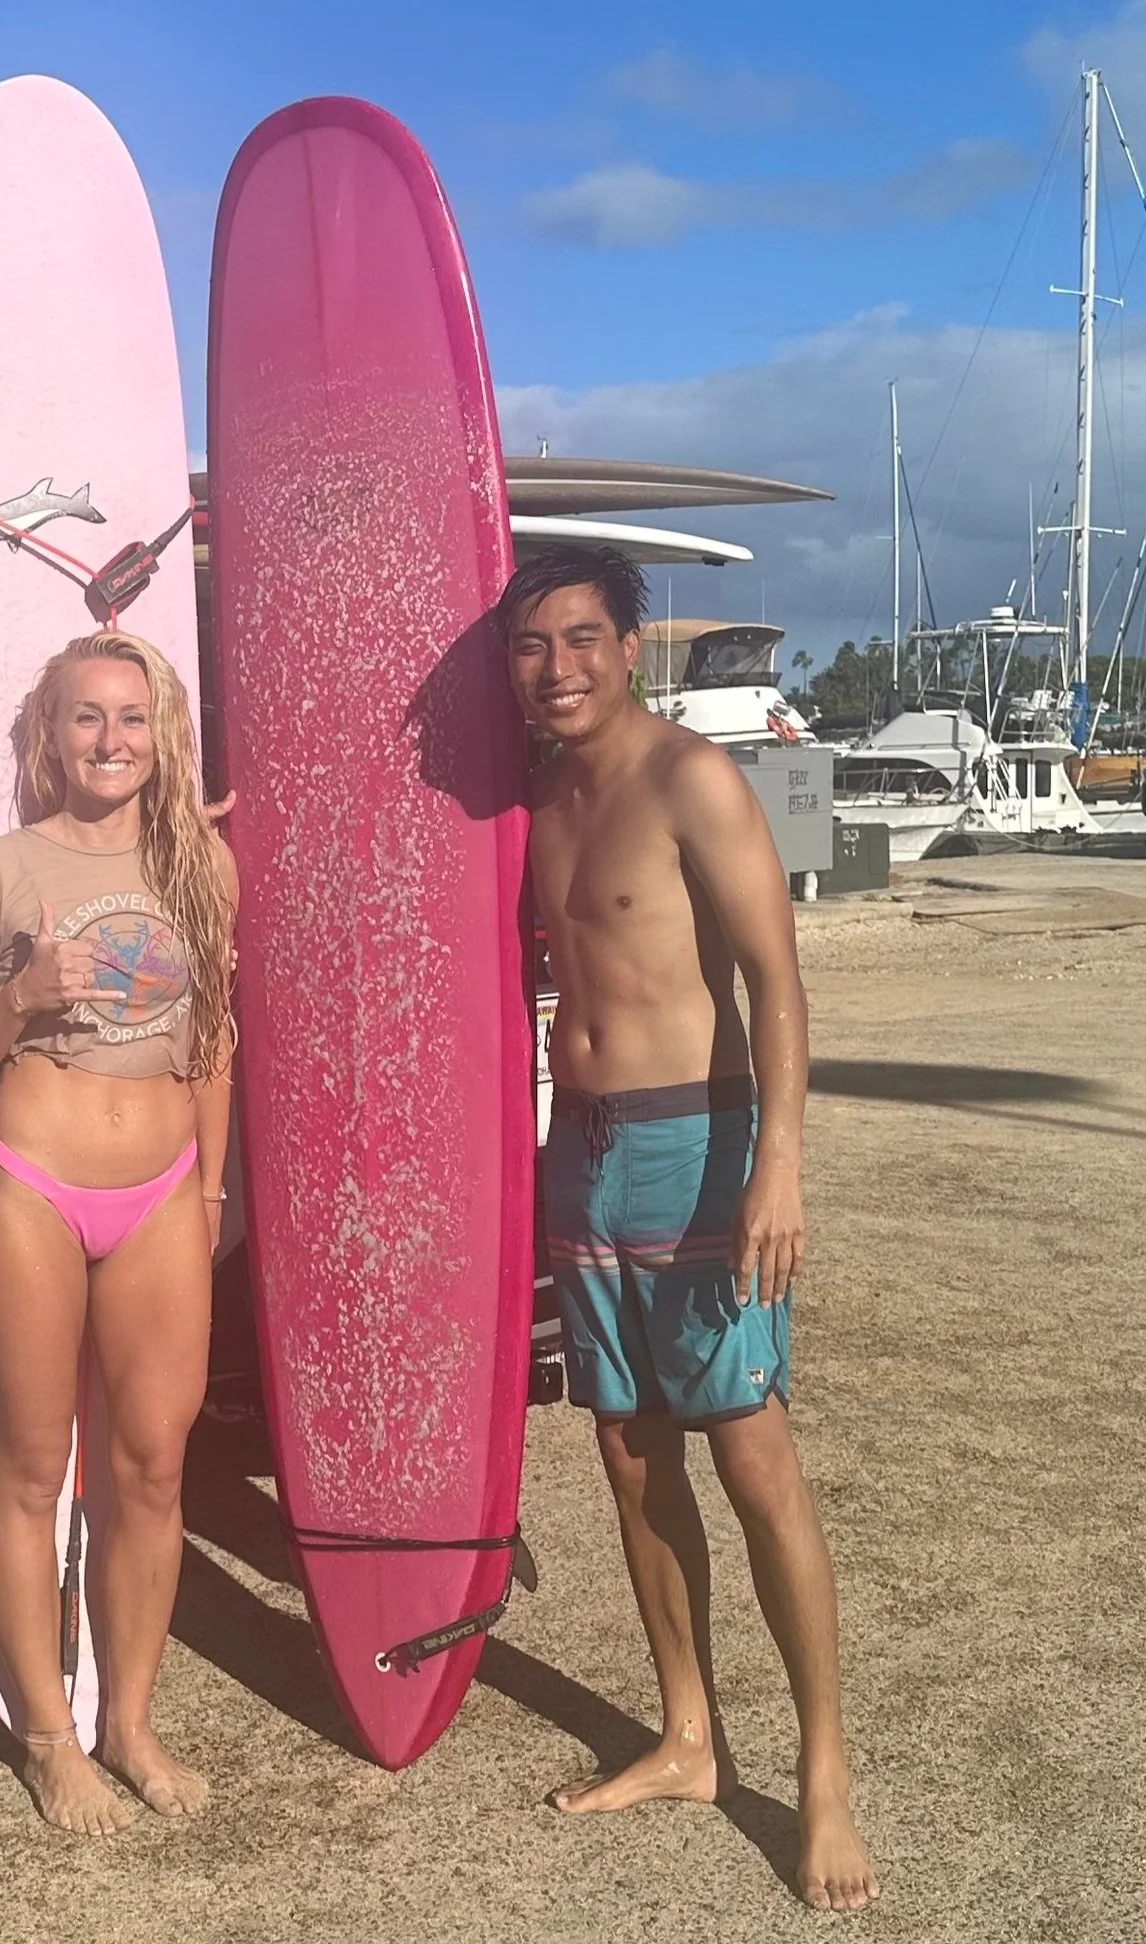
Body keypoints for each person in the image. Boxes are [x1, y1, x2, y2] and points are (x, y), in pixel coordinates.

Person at [503, 546, 877, 1914]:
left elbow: (778, 983)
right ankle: (688, 1739)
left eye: (581, 638)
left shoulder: (691, 780)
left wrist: (778, 1167)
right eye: (532, 645)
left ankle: (823, 1776)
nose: (558, 667)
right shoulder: (538, 799)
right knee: (627, 1451)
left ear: (629, 646)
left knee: (752, 1456)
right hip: (583, 1154)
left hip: (696, 1149)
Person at [0, 630, 236, 1837]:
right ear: (49, 738)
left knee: (151, 1468)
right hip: (30, 1187)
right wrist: (18, 1001)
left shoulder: (202, 864)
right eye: (86, 717)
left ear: (163, 737)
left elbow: (215, 1040)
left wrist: (211, 1193)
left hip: (163, 1190)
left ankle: (131, 1723)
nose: (111, 739)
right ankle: (51, 1740)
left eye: (132, 717)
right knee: (28, 1470)